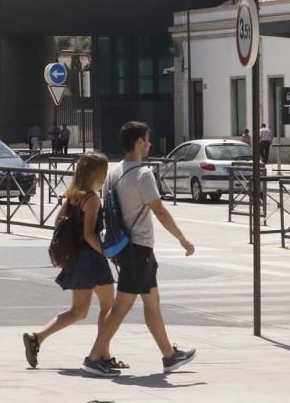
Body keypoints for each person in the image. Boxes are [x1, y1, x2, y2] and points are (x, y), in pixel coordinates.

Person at [84, 121, 196, 377]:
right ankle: (93, 357)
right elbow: (159, 210)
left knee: (152, 301)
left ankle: (169, 355)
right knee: (122, 307)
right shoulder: (142, 174)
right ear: (138, 143)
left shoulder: (114, 172)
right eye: (147, 139)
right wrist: (183, 239)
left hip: (129, 248)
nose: (150, 143)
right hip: (138, 249)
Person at [22, 152, 126, 371]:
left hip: (75, 258)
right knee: (109, 306)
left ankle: (36, 338)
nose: (106, 175)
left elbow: (59, 223)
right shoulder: (92, 199)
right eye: (104, 171)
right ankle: (102, 355)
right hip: (91, 259)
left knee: (78, 311)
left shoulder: (71, 196)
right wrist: (109, 254)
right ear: (96, 173)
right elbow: (90, 234)